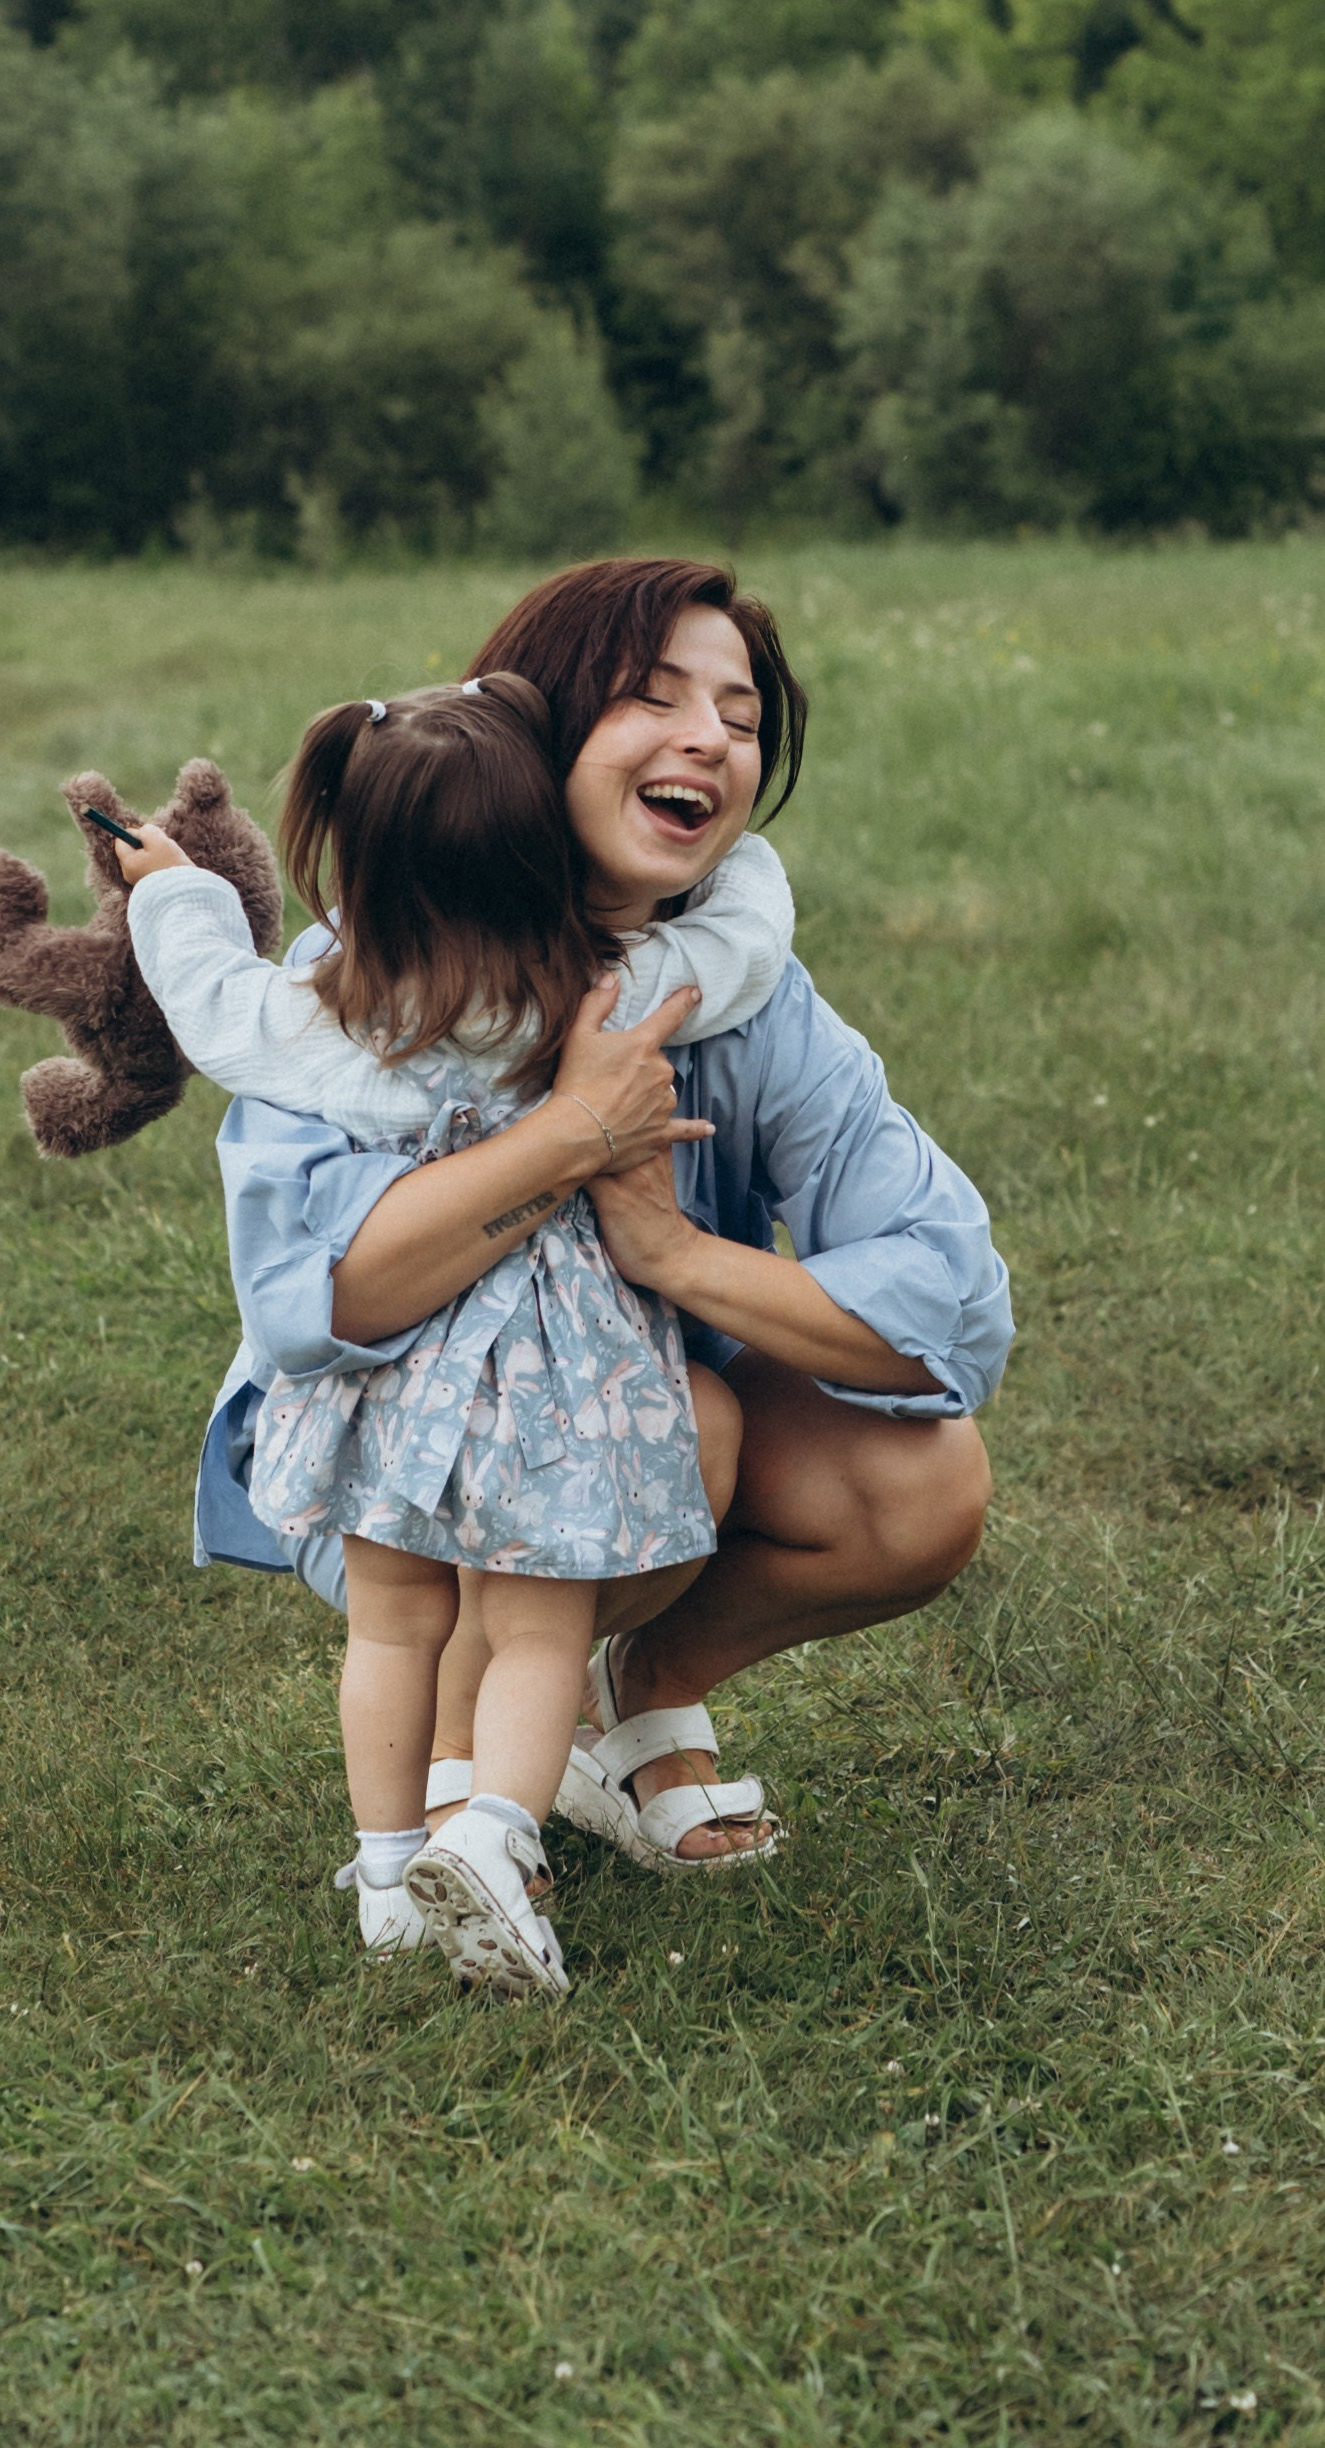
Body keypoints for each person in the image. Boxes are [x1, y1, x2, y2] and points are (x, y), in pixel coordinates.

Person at [193, 559, 1012, 1876]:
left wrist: (669, 1251)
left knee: (920, 1479)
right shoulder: (372, 975)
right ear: (535, 735)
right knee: (678, 1420)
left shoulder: (748, 995)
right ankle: (455, 1814)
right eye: (654, 698)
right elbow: (321, 1298)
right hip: (394, 1478)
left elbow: (952, 1303)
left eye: (740, 721)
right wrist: (573, 1135)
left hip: (630, 1441)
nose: (708, 739)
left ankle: (635, 1695)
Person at [122, 669, 794, 1995]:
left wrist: (169, 886)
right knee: (538, 1633)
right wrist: (749, 861)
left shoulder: (322, 1020)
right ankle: (492, 1832)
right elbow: (740, 952)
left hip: (387, 1389)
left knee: (392, 1631)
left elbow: (203, 992)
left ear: (355, 863)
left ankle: (385, 1872)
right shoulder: (599, 994)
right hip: (548, 1377)